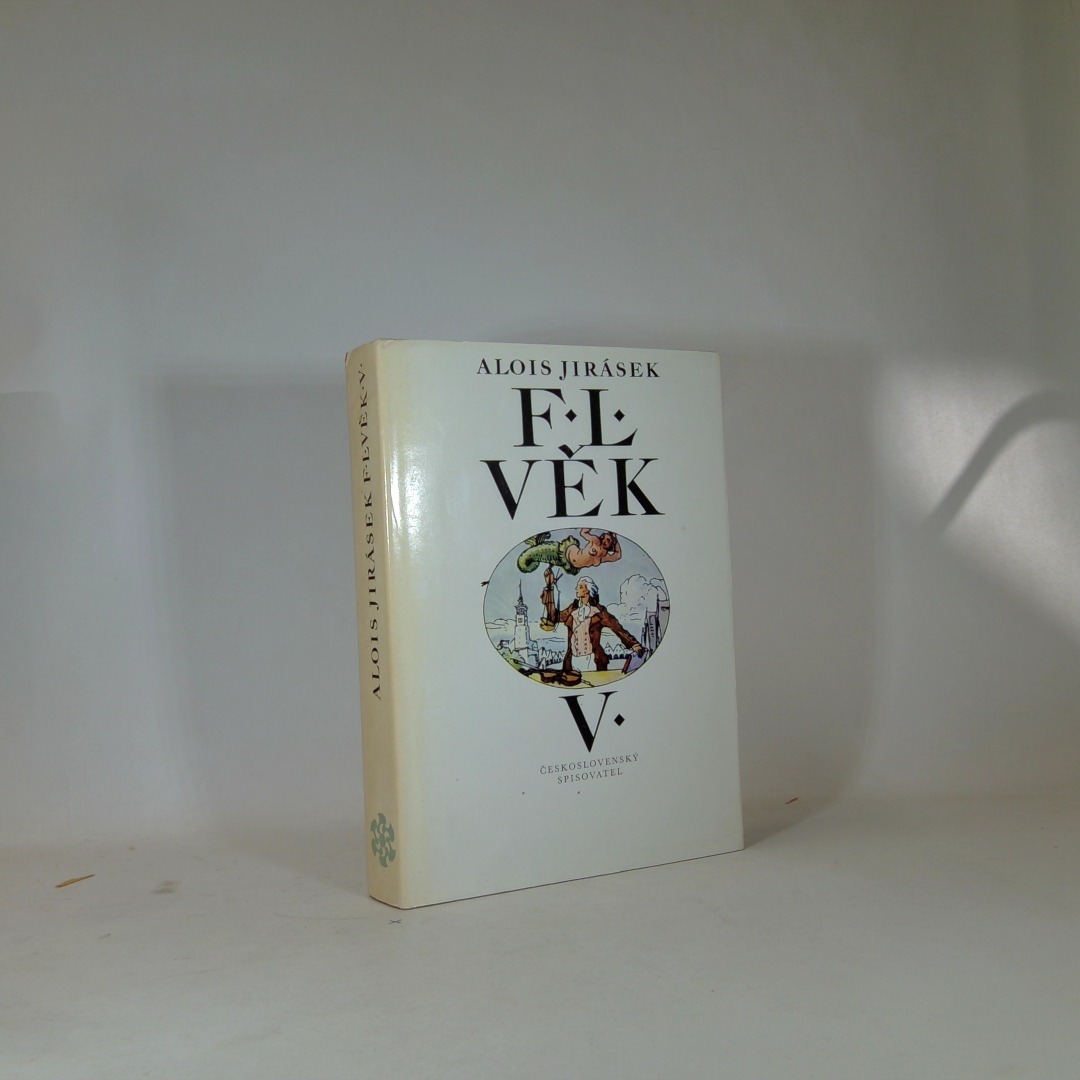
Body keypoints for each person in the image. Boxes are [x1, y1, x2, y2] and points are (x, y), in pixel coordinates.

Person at [541, 569, 644, 675]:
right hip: (572, 661)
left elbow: (616, 627)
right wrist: (549, 586)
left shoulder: (599, 611)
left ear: (587, 591)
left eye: (580, 586)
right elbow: (553, 617)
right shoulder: (572, 609)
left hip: (593, 660)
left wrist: (633, 644)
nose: (576, 588)